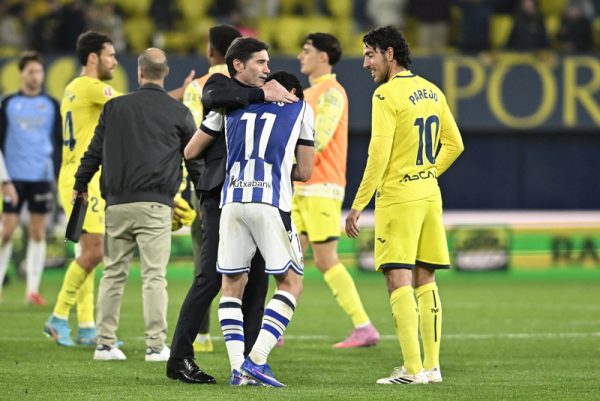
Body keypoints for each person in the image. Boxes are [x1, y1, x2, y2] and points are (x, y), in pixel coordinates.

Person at [44, 31, 193, 347]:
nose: (114, 61)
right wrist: (181, 92)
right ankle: (58, 316)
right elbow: (141, 105)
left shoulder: (73, 88)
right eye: (110, 55)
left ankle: (87, 325)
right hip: (83, 176)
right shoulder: (93, 87)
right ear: (93, 57)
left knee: (88, 252)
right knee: (95, 251)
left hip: (73, 173)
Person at [166, 36, 295, 385]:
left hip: (257, 197)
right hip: (219, 197)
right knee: (211, 276)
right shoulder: (222, 89)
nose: (267, 70)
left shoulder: (261, 100)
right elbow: (210, 102)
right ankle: (179, 358)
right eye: (260, 62)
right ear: (238, 64)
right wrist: (261, 94)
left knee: (257, 281)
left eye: (268, 63)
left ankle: (250, 363)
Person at [345, 26, 464, 385]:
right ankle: (432, 367)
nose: (365, 63)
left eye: (370, 54)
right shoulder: (432, 90)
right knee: (426, 278)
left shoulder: (386, 94)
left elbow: (378, 154)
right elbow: (455, 144)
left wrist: (358, 204)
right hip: (429, 195)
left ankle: (412, 370)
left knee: (397, 278)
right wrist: (426, 173)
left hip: (399, 198)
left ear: (389, 53)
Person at [185, 67, 315, 387]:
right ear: (292, 93)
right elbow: (305, 171)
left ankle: (237, 370)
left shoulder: (230, 106)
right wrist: (278, 165)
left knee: (232, 285)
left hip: (231, 202)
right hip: (269, 201)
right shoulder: (301, 108)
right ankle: (256, 361)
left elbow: (191, 150)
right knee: (291, 284)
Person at [295, 32, 380, 348]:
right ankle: (271, 328)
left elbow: (320, 138)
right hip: (301, 186)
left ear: (323, 57)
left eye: (306, 51)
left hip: (321, 187)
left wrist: (282, 160)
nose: (301, 56)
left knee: (326, 259)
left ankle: (364, 326)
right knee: (288, 259)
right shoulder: (308, 93)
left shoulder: (332, 92)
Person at [180, 24, 243, 353]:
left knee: (204, 258)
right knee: (250, 257)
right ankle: (254, 329)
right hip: (246, 181)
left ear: (211, 50)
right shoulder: (250, 83)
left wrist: (189, 186)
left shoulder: (198, 87)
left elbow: (192, 139)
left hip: (209, 182)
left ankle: (202, 335)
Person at [0, 51, 62, 306]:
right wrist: (4, 179)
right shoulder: (7, 103)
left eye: (39, 71)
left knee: (38, 232)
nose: (36, 76)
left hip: (42, 176)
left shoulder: (52, 104)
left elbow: (58, 142)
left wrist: (57, 175)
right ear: (21, 74)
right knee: (7, 231)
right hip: (13, 177)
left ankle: (32, 290)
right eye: (31, 72)